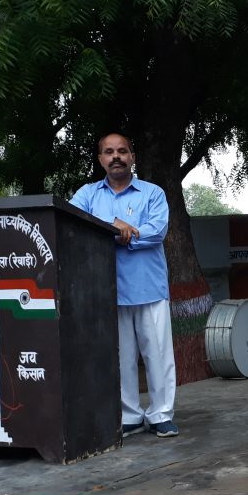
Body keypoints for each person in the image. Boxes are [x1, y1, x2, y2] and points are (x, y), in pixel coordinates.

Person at [70, 132, 178, 438]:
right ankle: (130, 416)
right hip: (109, 290)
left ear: (132, 157)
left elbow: (156, 232)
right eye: (109, 152)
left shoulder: (152, 193)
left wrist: (112, 231)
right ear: (101, 159)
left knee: (157, 355)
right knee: (122, 358)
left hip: (149, 288)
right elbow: (74, 223)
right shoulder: (88, 195)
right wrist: (115, 226)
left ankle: (161, 414)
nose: (116, 156)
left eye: (122, 151)